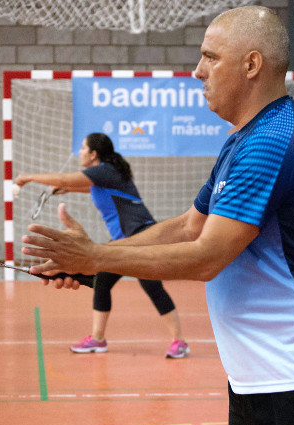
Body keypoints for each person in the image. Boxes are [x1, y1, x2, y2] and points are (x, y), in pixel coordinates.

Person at [22, 6, 294, 425]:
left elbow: (207, 255)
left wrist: (95, 259)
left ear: (252, 64)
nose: (197, 71)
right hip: (253, 376)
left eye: (211, 57)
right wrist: (94, 257)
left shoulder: (274, 141)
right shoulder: (242, 139)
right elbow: (189, 225)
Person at [15, 133, 189, 359]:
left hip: (141, 236)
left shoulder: (104, 171)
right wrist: (65, 189)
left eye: (83, 148)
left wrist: (28, 177)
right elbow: (87, 187)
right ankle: (97, 339)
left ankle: (180, 341)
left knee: (152, 287)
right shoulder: (104, 176)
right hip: (121, 242)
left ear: (93, 154)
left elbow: (66, 179)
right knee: (102, 282)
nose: (79, 152)